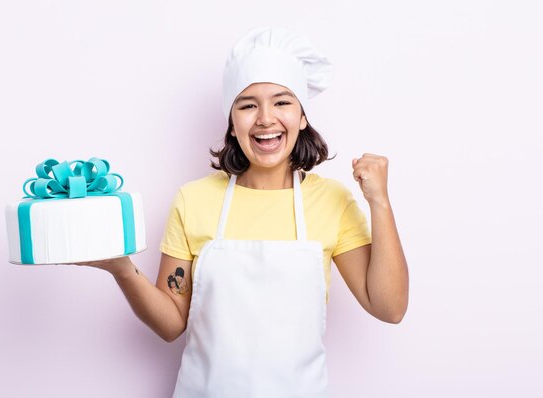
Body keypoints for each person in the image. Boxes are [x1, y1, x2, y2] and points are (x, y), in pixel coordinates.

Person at [80, 26, 409, 397]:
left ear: (302, 117)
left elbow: (389, 308)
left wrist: (379, 201)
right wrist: (122, 269)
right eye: (248, 104)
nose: (265, 118)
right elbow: (171, 323)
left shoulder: (332, 201)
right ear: (232, 124)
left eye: (282, 102)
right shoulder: (194, 199)